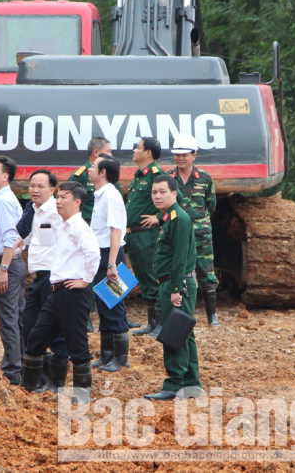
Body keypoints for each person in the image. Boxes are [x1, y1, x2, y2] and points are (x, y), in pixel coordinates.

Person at [21, 182, 100, 403]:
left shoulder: (78, 226)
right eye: (58, 197)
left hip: (72, 293)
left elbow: (93, 253)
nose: (58, 201)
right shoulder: (63, 226)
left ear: (77, 202)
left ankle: (82, 394)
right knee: (36, 339)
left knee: (76, 343)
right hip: (55, 292)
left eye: (64, 197)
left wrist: (85, 281)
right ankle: (28, 389)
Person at [145, 175, 200, 401]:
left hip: (177, 283)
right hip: (170, 282)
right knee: (184, 333)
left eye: (162, 192)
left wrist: (176, 289)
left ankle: (174, 384)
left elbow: (179, 258)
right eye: (154, 192)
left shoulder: (180, 219)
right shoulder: (168, 217)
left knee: (174, 334)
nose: (157, 196)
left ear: (174, 194)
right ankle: (191, 384)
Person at [13, 169, 69, 392]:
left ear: (52, 190)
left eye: (40, 186)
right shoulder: (31, 211)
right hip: (36, 279)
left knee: (56, 331)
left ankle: (57, 383)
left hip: (53, 278)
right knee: (29, 328)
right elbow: (25, 238)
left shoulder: (57, 213)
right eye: (31, 185)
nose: (34, 190)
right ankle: (41, 379)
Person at [170, 134, 220, 326]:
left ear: (194, 155)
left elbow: (211, 205)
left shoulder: (205, 179)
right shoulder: (168, 179)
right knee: (176, 272)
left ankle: (212, 316)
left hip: (200, 234)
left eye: (184, 154)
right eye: (177, 155)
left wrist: (200, 223)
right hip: (177, 235)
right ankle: (177, 315)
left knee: (206, 273)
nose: (180, 158)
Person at [0, 155, 27, 385]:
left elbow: (11, 235)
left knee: (9, 318)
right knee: (17, 316)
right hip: (13, 263)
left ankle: (13, 371)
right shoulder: (3, 198)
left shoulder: (2, 200)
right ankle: (20, 364)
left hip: (7, 264)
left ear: (5, 176)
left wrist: (3, 268)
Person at [88, 156, 130, 372]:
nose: (89, 169)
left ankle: (120, 357)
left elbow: (116, 231)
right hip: (102, 254)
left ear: (103, 172)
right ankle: (107, 354)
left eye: (93, 167)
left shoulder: (111, 196)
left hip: (110, 255)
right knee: (103, 305)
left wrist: (112, 263)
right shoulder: (101, 195)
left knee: (114, 303)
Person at [127, 137, 166, 338]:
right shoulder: (138, 176)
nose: (134, 150)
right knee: (143, 278)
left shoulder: (157, 175)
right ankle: (152, 323)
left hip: (147, 236)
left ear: (148, 153)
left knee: (153, 277)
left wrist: (158, 217)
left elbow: (176, 200)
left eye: (138, 147)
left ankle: (160, 324)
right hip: (133, 236)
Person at [68, 137, 111, 224]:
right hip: (86, 224)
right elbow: (68, 201)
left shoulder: (109, 174)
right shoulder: (80, 175)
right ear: (96, 152)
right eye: (108, 151)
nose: (111, 155)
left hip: (106, 224)